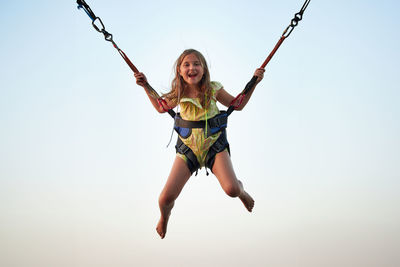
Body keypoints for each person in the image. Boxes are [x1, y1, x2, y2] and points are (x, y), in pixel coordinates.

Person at [134, 49, 265, 239]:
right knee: (164, 199)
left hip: (214, 146)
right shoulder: (178, 93)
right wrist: (145, 86)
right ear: (179, 70)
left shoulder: (213, 89)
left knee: (232, 190)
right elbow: (161, 107)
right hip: (188, 150)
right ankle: (164, 217)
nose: (192, 68)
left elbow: (237, 104)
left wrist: (254, 82)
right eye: (186, 65)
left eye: (196, 64)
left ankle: (242, 192)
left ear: (203, 70)